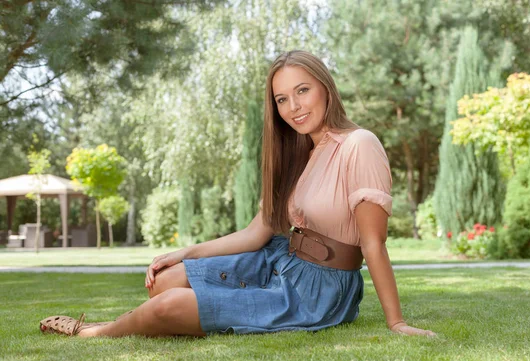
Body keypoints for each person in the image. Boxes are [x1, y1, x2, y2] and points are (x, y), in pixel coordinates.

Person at [39, 50, 435, 338]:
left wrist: (396, 322)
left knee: (169, 304)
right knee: (165, 282)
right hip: (280, 259)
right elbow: (255, 234)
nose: (293, 107)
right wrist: (184, 252)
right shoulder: (299, 153)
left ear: (325, 89)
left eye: (302, 91)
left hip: (320, 289)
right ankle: (155, 318)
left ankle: (95, 332)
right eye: (282, 99)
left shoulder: (360, 144)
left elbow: (373, 243)